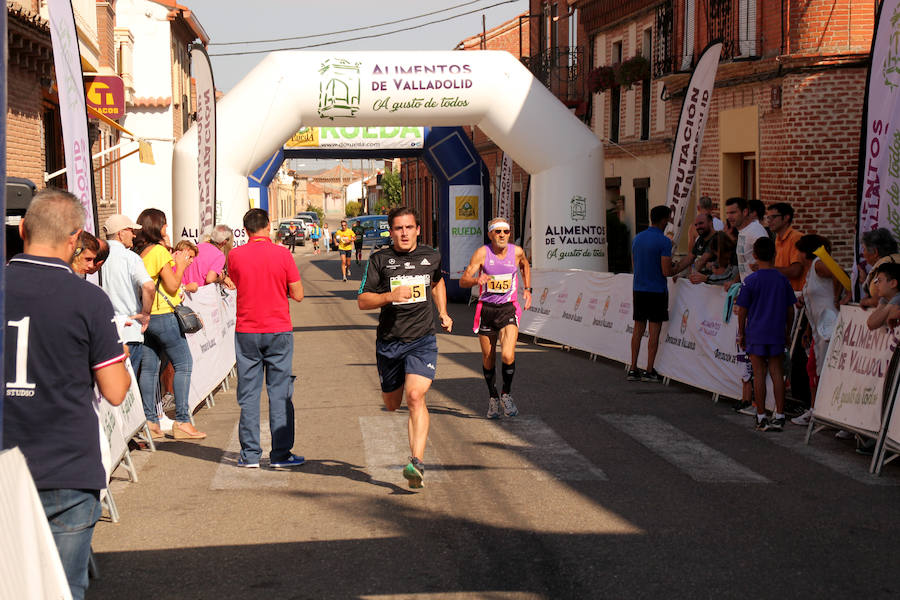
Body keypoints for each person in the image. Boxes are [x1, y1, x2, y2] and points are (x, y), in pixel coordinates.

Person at [3, 189, 130, 599]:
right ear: (76, 239)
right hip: (65, 469)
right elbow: (114, 391)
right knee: (60, 588)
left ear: (23, 229)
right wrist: (119, 360)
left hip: (6, 460)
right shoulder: (88, 299)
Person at [357, 207, 452, 488]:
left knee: (414, 396)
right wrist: (389, 295)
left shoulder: (431, 256)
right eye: (398, 228)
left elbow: (437, 282)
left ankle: (416, 462)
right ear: (391, 231)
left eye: (409, 227)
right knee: (392, 404)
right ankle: (415, 459)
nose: (404, 233)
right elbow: (363, 301)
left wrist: (443, 312)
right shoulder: (379, 260)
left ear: (418, 229)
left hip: (422, 340)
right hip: (389, 342)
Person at [227, 208, 306, 468]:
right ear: (269, 226)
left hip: (247, 331)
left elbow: (237, 283)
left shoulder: (235, 255)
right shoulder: (282, 254)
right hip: (278, 329)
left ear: (246, 229)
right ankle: (281, 454)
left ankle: (250, 455)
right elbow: (298, 294)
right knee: (279, 392)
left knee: (248, 394)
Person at [133, 208, 206, 440]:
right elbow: (173, 286)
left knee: (150, 369)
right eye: (164, 225)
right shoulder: (158, 252)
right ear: (156, 227)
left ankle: (151, 423)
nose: (167, 229)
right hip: (164, 315)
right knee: (184, 364)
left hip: (146, 317)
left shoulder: (139, 252)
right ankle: (183, 421)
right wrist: (182, 263)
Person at [460, 217, 532, 418]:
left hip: (508, 309)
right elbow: (464, 281)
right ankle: (493, 397)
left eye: (506, 232)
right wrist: (476, 279)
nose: (502, 235)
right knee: (488, 357)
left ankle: (506, 395)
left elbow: (525, 265)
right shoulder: (482, 253)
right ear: (490, 234)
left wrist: (527, 289)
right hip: (486, 310)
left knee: (508, 355)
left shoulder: (516, 252)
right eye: (497, 232)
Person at [735, 237, 797, 432]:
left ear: (754, 255)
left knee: (759, 374)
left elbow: (742, 310)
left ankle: (761, 415)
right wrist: (788, 330)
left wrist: (741, 333)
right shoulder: (782, 280)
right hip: (776, 331)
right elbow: (791, 310)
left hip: (756, 332)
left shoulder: (750, 280)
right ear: (775, 254)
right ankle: (779, 415)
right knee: (778, 373)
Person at [790, 235, 845, 425]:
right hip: (816, 327)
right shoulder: (810, 271)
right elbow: (811, 302)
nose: (797, 255)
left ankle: (827, 411)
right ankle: (816, 408)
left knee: (824, 369)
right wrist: (806, 328)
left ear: (806, 252)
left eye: (799, 251)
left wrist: (837, 298)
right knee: (813, 367)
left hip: (828, 324)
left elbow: (839, 273)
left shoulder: (818, 265)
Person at [101, 213, 154, 379]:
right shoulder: (131, 258)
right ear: (120, 233)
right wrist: (146, 314)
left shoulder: (93, 257)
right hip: (128, 329)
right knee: (127, 388)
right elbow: (148, 286)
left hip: (102, 331)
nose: (134, 234)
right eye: (130, 230)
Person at [628, 205, 675, 382]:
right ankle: (649, 370)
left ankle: (632, 368)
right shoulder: (664, 242)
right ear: (663, 220)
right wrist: (677, 267)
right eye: (669, 219)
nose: (669, 222)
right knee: (653, 332)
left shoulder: (637, 238)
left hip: (639, 288)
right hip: (656, 290)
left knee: (638, 330)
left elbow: (634, 264)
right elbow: (666, 271)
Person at [766, 202, 804, 291]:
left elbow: (796, 271)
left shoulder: (796, 238)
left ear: (786, 218)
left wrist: (768, 269)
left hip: (797, 295)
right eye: (768, 217)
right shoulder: (777, 239)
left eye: (774, 217)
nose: (769, 221)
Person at [182, 224, 235, 289]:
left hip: (186, 290)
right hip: (201, 292)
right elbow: (210, 279)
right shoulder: (219, 255)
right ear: (224, 242)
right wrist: (221, 279)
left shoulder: (197, 247)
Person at [859, 228, 900, 307]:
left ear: (875, 252)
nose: (863, 254)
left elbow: (878, 300)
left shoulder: (885, 267)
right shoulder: (894, 261)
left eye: (864, 249)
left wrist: (865, 302)